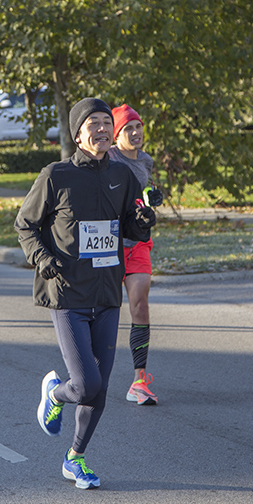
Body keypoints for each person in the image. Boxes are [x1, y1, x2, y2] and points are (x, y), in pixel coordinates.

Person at [15, 98, 156, 489]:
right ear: (78, 134)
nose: (101, 129)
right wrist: (41, 258)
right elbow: (25, 224)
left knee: (102, 387)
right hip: (67, 292)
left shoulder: (123, 175)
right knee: (85, 384)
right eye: (92, 123)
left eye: (106, 123)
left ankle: (74, 458)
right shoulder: (56, 175)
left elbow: (132, 227)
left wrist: (143, 222)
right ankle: (57, 394)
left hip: (108, 292)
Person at [108, 104, 164, 406]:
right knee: (102, 310)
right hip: (109, 243)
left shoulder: (145, 160)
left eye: (138, 126)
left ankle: (139, 380)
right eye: (128, 128)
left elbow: (141, 195)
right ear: (117, 134)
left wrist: (151, 199)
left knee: (140, 304)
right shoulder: (108, 157)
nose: (136, 132)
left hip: (138, 241)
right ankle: (86, 375)